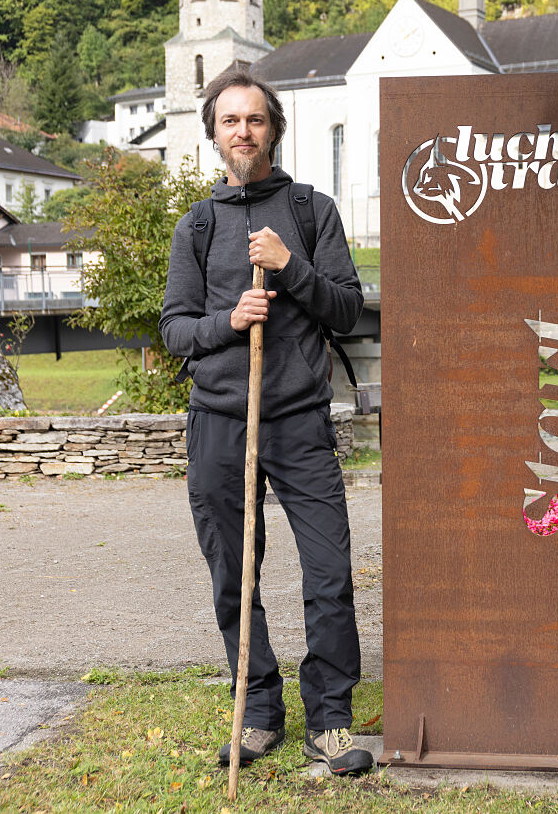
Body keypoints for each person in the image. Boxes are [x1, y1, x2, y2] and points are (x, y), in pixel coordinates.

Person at [159, 69, 372, 776]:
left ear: (272, 129)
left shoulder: (311, 210)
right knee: (232, 573)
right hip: (219, 421)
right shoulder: (196, 226)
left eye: (254, 120)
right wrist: (230, 319)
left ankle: (331, 721)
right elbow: (174, 330)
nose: (242, 131)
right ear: (214, 134)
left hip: (299, 419)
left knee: (328, 571)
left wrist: (290, 270)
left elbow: (345, 307)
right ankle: (256, 710)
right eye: (229, 121)